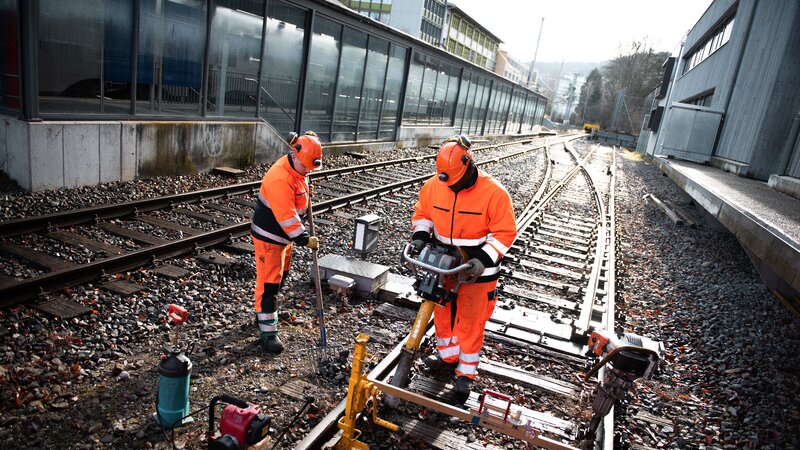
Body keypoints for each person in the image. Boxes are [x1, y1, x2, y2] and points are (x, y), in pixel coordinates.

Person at [408, 134, 517, 403]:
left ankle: (465, 374)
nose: (452, 187)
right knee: (443, 315)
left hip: (477, 272)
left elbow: (504, 232)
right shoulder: (434, 186)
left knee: (470, 322)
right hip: (444, 266)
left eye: (455, 181)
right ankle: (447, 358)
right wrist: (420, 236)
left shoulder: (494, 193)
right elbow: (423, 214)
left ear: (469, 165)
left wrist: (482, 259)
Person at [250, 131, 322, 354]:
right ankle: (268, 333)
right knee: (269, 285)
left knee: (282, 277)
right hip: (270, 237)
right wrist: (304, 238)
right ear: (295, 155)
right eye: (306, 167)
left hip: (283, 238)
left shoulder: (298, 167)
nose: (308, 171)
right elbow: (287, 217)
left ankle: (264, 312)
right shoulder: (281, 178)